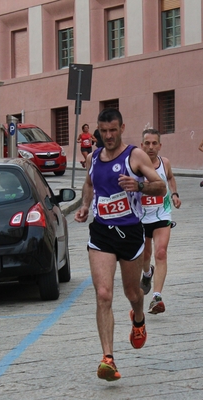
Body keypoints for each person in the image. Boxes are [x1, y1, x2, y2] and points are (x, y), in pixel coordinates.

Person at [75, 108, 167, 382]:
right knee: (103, 294)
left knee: (132, 292)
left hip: (130, 233)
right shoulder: (93, 158)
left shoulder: (134, 156)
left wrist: (138, 186)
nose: (108, 136)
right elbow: (89, 185)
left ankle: (138, 318)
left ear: (122, 127)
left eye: (113, 130)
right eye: (103, 132)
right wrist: (83, 206)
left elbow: (160, 186)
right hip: (101, 233)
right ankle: (108, 359)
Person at [138, 129, 181, 315]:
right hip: (140, 217)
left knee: (161, 252)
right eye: (147, 143)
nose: (151, 147)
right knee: (144, 255)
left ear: (160, 146)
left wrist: (175, 194)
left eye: (154, 143)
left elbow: (170, 177)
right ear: (142, 145)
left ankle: (157, 297)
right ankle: (147, 273)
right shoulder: (135, 166)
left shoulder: (165, 163)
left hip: (162, 214)